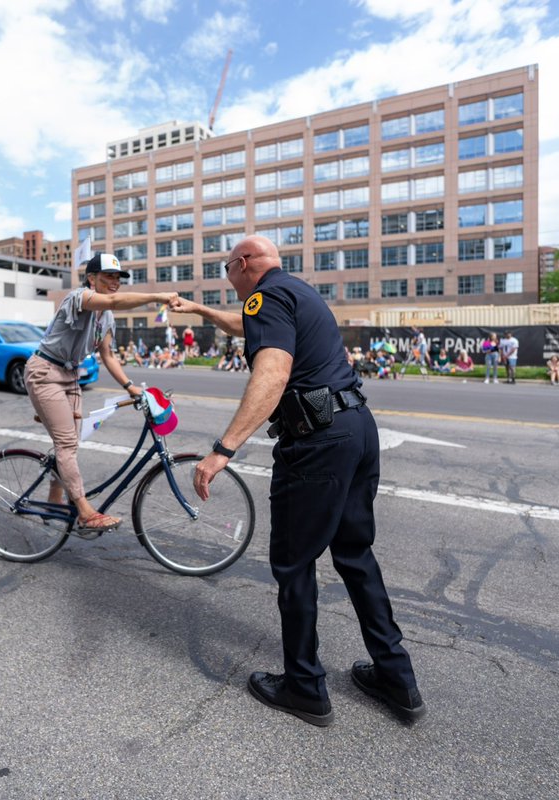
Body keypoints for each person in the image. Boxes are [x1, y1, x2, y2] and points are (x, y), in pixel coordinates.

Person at [170, 235, 424, 728]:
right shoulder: (298, 292)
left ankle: (304, 686)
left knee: (294, 562)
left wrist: (224, 449)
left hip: (317, 441)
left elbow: (273, 371)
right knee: (355, 554)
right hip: (355, 429)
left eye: (228, 271)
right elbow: (245, 326)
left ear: (243, 265)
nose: (232, 282)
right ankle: (397, 677)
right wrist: (201, 310)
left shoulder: (265, 297)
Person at [26, 253, 175, 532]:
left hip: (70, 377)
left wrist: (131, 387)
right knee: (67, 444)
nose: (114, 282)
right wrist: (159, 296)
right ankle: (84, 512)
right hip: (45, 373)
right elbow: (113, 301)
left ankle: (53, 503)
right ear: (91, 278)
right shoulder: (80, 297)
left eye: (118, 278)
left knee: (70, 445)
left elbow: (107, 355)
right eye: (108, 276)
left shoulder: (105, 319)